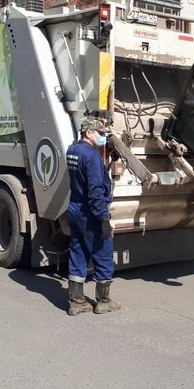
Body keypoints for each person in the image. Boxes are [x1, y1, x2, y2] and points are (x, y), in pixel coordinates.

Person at [65, 118, 121, 315]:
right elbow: (95, 191)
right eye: (99, 133)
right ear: (88, 133)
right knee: (103, 253)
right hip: (90, 212)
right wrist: (104, 219)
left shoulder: (72, 151)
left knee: (78, 252)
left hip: (75, 207)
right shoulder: (92, 156)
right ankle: (103, 301)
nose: (102, 137)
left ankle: (77, 302)